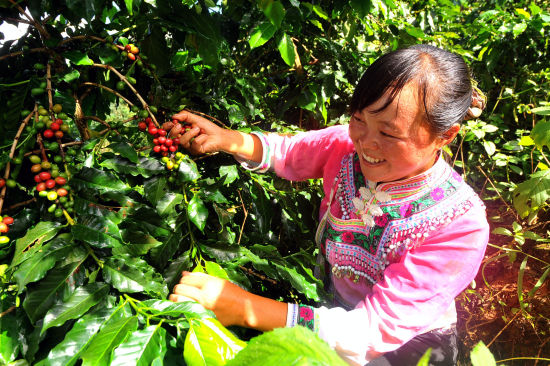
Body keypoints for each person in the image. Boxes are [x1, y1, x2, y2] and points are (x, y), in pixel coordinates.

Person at [168, 44, 489, 366]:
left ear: (445, 136)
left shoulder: (459, 223)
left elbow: (372, 330)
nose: (365, 141)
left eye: (389, 134)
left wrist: (244, 308)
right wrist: (225, 138)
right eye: (359, 119)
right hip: (334, 310)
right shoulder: (344, 147)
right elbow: (287, 152)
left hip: (408, 344)